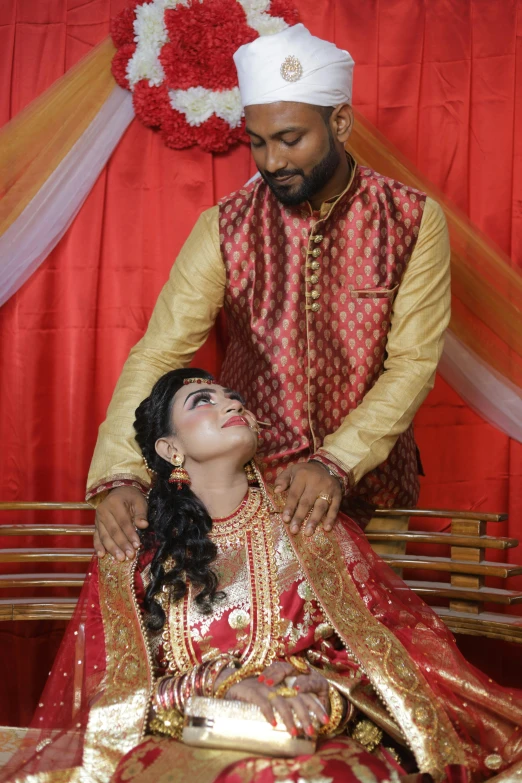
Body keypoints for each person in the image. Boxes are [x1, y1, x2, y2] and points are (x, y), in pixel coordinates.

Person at [5, 368, 522, 783]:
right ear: (170, 450)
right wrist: (222, 686)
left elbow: (377, 654)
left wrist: (321, 692)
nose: (232, 404)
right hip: (189, 738)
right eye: (202, 401)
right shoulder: (137, 547)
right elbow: (116, 693)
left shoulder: (308, 528)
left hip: (306, 735)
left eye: (232, 397)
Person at [87, 24, 451, 566]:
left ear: (340, 122)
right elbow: (161, 351)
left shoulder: (412, 220)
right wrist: (121, 470)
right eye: (258, 142)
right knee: (253, 643)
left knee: (367, 644)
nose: (272, 161)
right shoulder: (225, 227)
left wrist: (336, 462)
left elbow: (413, 361)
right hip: (246, 494)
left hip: (373, 491)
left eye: (290, 139)